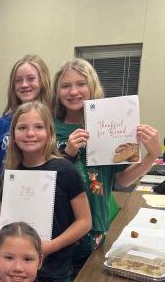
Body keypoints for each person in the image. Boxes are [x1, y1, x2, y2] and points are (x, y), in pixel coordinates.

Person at [53, 58, 161, 270]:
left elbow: (121, 180)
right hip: (60, 229)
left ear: (92, 86)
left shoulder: (110, 125)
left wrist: (151, 156)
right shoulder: (49, 129)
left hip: (96, 226)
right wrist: (68, 152)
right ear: (57, 91)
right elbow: (45, 179)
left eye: (81, 84)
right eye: (66, 86)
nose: (73, 91)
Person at [0, 101, 92, 282]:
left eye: (38, 127)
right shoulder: (9, 174)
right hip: (14, 270)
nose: (30, 133)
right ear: (13, 134)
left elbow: (84, 221)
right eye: (22, 128)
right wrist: (13, 246)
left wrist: (48, 247)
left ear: (50, 132)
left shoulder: (65, 171)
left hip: (54, 271)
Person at [0, 55, 52, 237]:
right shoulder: (1, 124)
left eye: (31, 79)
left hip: (45, 203)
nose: (24, 84)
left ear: (42, 80)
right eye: (18, 80)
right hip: (8, 203)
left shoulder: (54, 119)